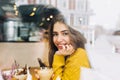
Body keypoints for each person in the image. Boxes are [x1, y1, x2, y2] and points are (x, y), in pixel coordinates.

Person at [48, 14, 91, 80]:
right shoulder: (65, 54)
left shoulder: (79, 55)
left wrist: (58, 56)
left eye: (65, 33)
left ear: (75, 35)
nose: (58, 39)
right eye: (55, 34)